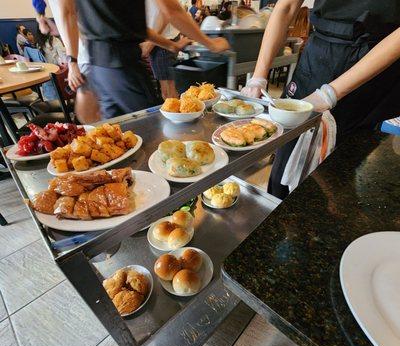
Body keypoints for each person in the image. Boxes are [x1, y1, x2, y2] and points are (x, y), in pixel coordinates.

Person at [241, 0, 400, 199]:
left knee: (341, 168)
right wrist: (258, 76)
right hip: (317, 55)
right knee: (287, 154)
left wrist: (331, 93)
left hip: (373, 64)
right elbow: (286, 7)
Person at [57, 0, 229, 119]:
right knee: (152, 129)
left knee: (118, 136)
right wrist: (210, 44)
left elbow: (69, 13)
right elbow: (172, 10)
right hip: (123, 66)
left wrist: (170, 45)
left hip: (99, 67)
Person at [143, 0, 191, 99]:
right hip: (159, 40)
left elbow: (166, 12)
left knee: (168, 93)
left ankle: (179, 113)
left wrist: (150, 43)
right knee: (167, 92)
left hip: (163, 40)